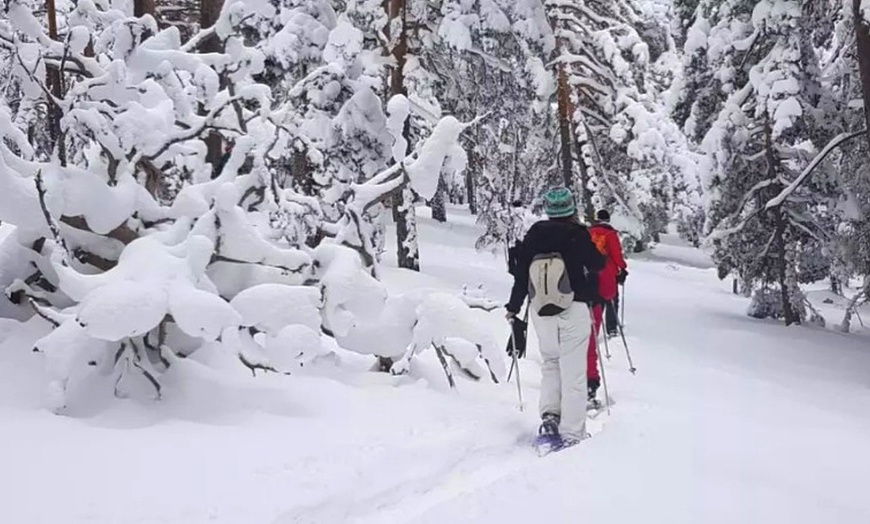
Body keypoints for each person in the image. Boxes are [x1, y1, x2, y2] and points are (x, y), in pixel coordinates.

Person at [506, 187, 604, 445]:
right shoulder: (578, 234)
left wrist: (513, 307)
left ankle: (550, 418)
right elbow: (598, 264)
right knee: (574, 371)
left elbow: (521, 275)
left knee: (550, 363)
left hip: (541, 309)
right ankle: (572, 433)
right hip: (575, 307)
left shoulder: (535, 233)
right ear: (571, 208)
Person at [589, 209, 628, 338]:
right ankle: (611, 328)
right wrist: (622, 267)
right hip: (608, 271)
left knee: (595, 299)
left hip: (591, 271)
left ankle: (593, 326)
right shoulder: (610, 234)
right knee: (612, 298)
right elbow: (616, 254)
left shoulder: (589, 232)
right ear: (608, 219)